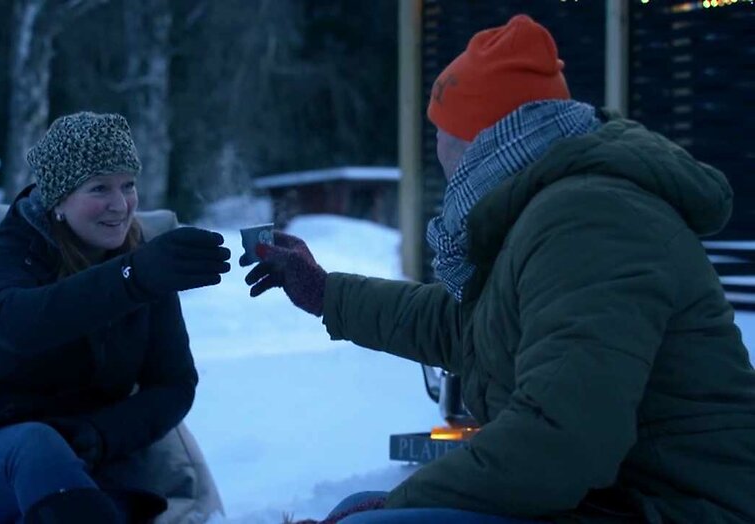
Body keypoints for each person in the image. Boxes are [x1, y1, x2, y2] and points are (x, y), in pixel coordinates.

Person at [243, 14, 755, 524]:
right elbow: (468, 327)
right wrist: (325, 292)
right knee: (360, 512)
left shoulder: (591, 220)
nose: (437, 150)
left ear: (482, 138)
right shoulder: (551, 210)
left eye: (441, 130)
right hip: (621, 495)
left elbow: (562, 441)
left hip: (679, 507)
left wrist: (399, 503)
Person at [0, 112, 231, 523]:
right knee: (38, 447)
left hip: (93, 464)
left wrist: (102, 434)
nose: (120, 204)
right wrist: (134, 278)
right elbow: (19, 325)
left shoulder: (143, 263)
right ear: (58, 199)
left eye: (128, 185)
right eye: (99, 188)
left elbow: (174, 384)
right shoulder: (3, 252)